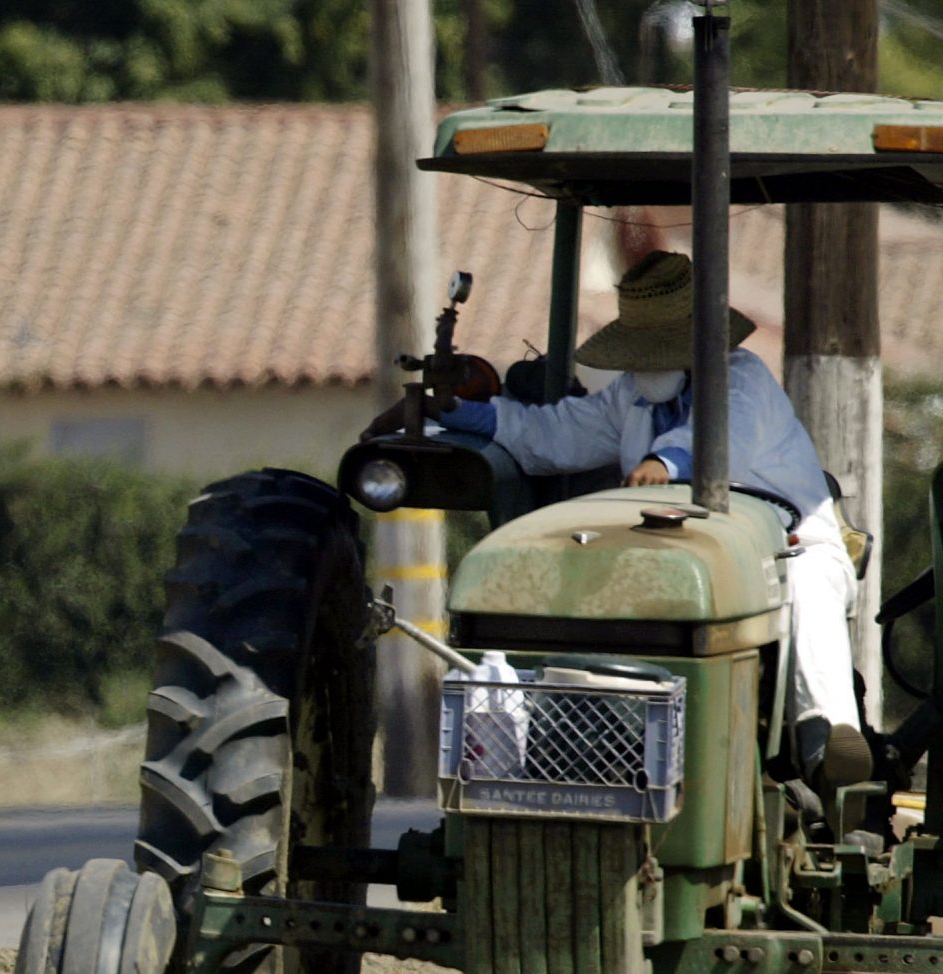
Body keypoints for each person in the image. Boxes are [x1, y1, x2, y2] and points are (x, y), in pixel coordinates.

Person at [364, 250, 871, 793]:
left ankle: (824, 738)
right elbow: (558, 433)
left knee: (809, 582)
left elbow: (722, 435)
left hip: (784, 539)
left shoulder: (744, 380)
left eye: (659, 353)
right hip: (666, 548)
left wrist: (666, 463)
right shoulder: (632, 395)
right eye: (641, 354)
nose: (644, 365)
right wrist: (461, 414)